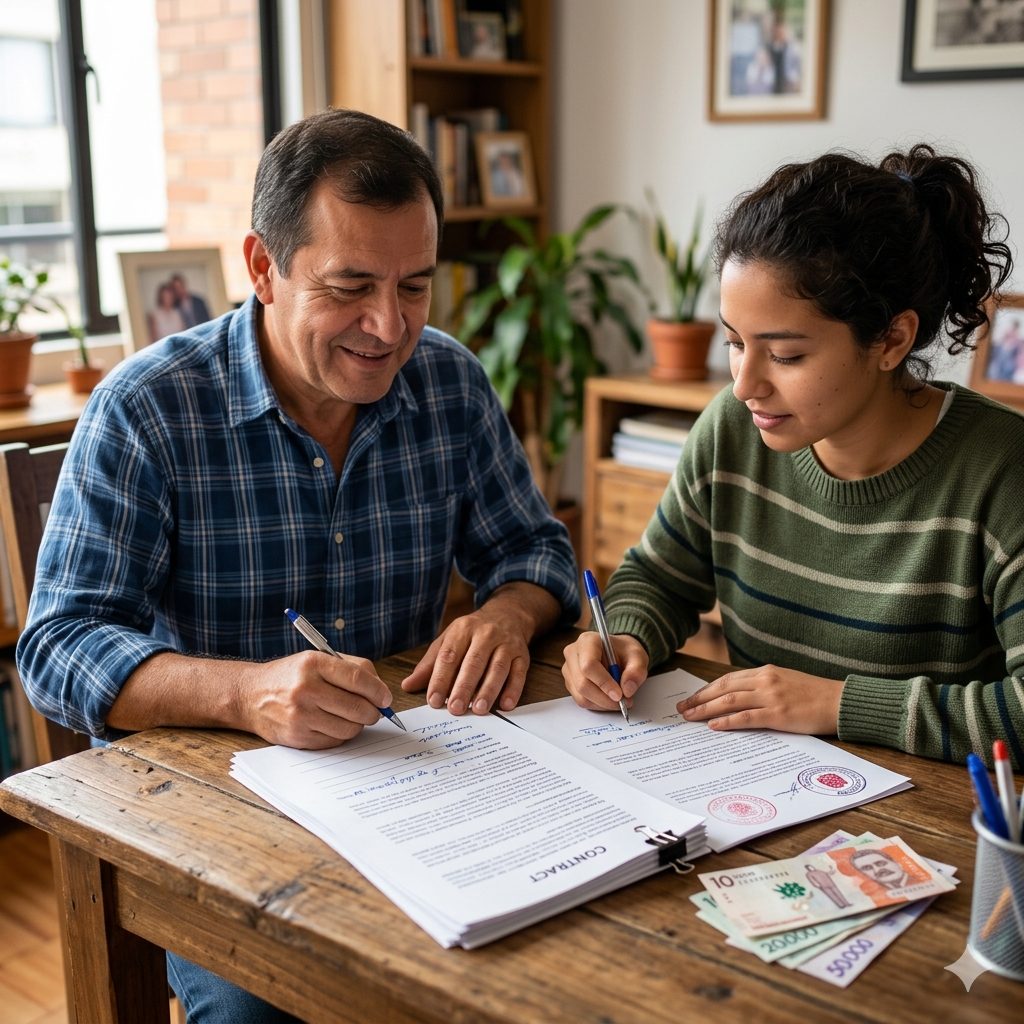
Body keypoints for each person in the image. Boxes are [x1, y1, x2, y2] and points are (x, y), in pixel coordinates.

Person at [18, 108, 579, 1024]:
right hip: (211, 817)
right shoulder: (148, 410)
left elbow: (534, 549)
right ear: (262, 268)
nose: (389, 326)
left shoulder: (450, 382)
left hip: (419, 783)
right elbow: (57, 647)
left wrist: (508, 613)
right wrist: (245, 695)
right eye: (351, 285)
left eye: (415, 286)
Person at [562, 144, 1024, 770]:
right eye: (734, 341)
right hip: (757, 792)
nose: (746, 384)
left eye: (785, 356)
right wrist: (624, 633)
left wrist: (838, 705)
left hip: (935, 822)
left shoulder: (1001, 471)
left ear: (892, 339)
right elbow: (659, 578)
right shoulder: (733, 428)